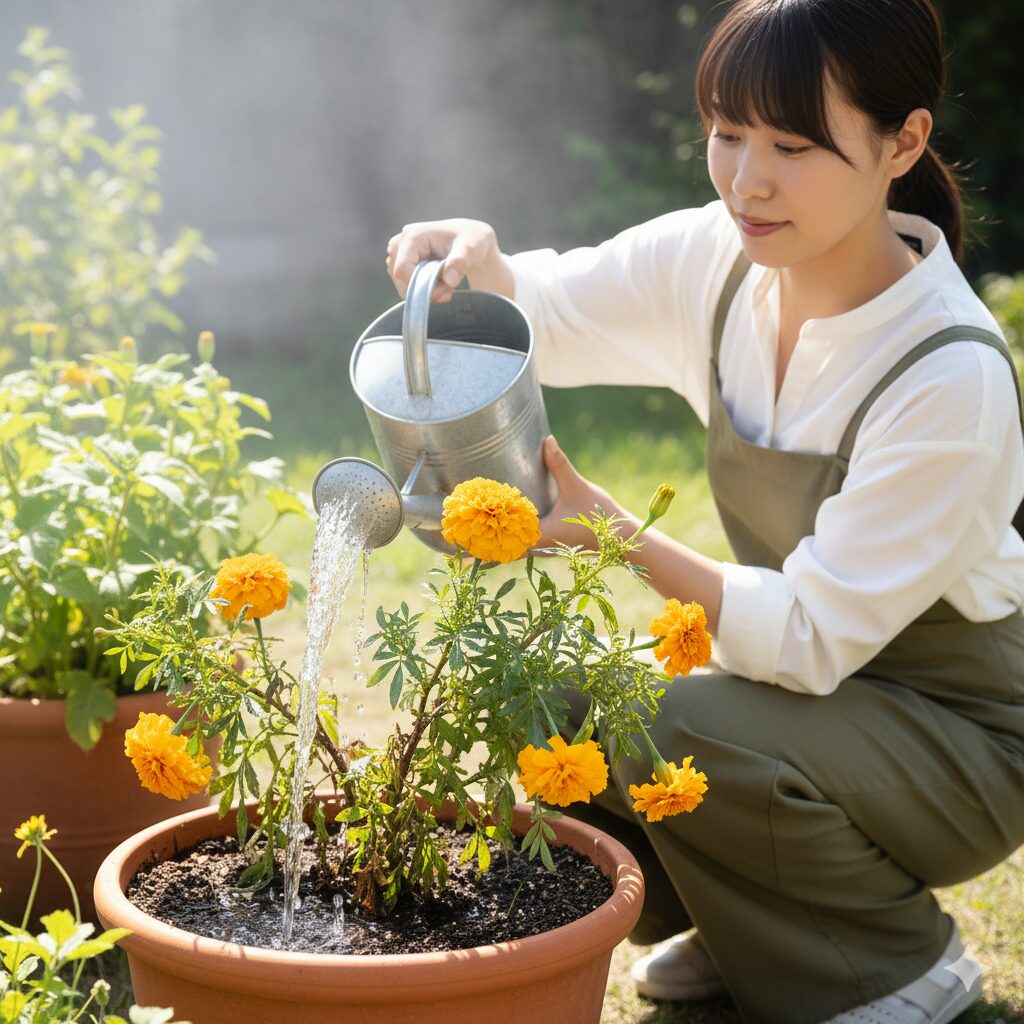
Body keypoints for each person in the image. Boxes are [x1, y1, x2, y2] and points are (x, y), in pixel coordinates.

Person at [384, 0, 1024, 1021]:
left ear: (903, 142)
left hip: (961, 743)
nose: (746, 180)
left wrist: (615, 535)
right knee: (567, 694)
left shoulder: (946, 371)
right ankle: (750, 924)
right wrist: (478, 262)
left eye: (792, 147)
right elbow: (552, 312)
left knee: (676, 719)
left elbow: (810, 636)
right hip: (815, 706)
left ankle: (899, 964)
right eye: (728, 134)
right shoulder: (721, 262)